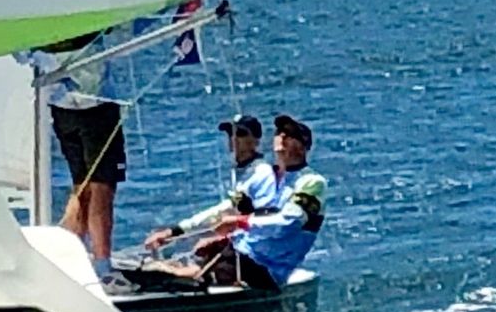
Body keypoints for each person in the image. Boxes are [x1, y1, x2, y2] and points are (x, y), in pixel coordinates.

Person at [150, 113, 326, 291]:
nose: (282, 136)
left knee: (177, 275)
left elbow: (289, 222)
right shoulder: (273, 178)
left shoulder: (311, 182)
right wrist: (178, 231)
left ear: (303, 147)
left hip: (269, 269)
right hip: (246, 256)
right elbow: (228, 210)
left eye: (290, 134)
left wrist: (239, 223)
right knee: (185, 266)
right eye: (279, 132)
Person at [46, 33, 127, 268]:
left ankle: (72, 261)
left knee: (82, 185)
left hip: (61, 105)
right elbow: (125, 24)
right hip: (95, 104)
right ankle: (103, 268)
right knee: (101, 187)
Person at [143, 114, 276, 254]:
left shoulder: (262, 172)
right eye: (230, 133)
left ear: (255, 141)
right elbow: (220, 212)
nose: (234, 138)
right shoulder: (240, 172)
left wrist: (220, 238)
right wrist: (173, 232)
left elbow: (268, 220)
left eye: (241, 134)